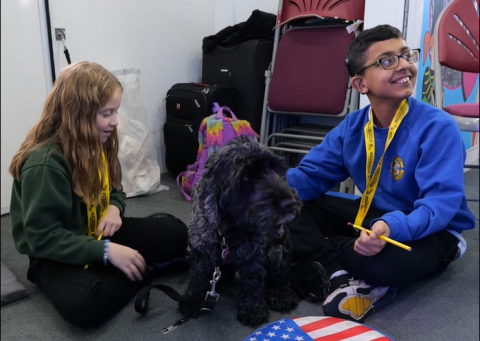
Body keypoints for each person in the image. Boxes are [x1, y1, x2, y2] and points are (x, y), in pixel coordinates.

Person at [287, 24, 475, 323]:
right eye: (387, 61)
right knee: (287, 208)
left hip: (434, 232)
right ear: (361, 84)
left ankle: (323, 259)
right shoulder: (352, 127)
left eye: (406, 55)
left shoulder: (438, 126)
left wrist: (391, 227)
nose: (404, 65)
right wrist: (261, 188)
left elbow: (439, 206)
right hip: (374, 218)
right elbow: (309, 177)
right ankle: (339, 274)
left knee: (387, 263)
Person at [9, 61, 189, 328]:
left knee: (175, 233)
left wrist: (115, 209)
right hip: (53, 253)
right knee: (84, 306)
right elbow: (42, 238)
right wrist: (106, 251)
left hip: (96, 230)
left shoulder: (101, 140)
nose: (115, 122)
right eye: (107, 113)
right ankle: (140, 269)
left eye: (115, 112)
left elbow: (115, 189)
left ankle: (117, 265)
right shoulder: (45, 163)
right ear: (78, 114)